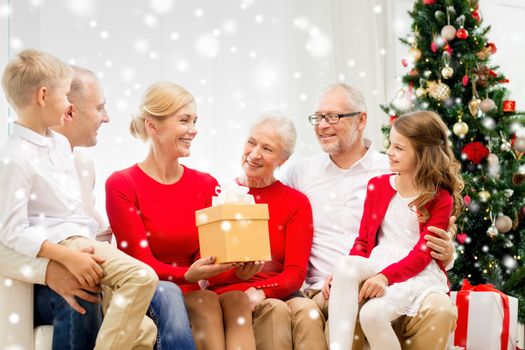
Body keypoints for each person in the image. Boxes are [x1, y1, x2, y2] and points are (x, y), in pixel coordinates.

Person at [0, 49, 158, 350]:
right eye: (64, 96)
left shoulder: (60, 146)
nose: (69, 105)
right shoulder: (13, 158)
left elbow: (75, 212)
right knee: (140, 277)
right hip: (61, 249)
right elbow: (11, 231)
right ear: (44, 96)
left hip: (81, 242)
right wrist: (66, 258)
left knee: (143, 330)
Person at [282, 83, 458, 349]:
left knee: (437, 309)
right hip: (333, 283)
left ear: (361, 120)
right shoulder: (300, 173)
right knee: (350, 289)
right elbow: (362, 240)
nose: (322, 125)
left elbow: (429, 243)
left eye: (333, 117)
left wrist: (448, 252)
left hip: (401, 274)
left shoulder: (389, 170)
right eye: (318, 117)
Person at [105, 81, 257, 350]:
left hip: (194, 291)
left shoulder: (206, 184)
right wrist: (188, 275)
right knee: (198, 300)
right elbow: (140, 264)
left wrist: (239, 270)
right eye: (184, 120)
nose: (193, 130)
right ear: (153, 126)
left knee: (230, 299)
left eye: (195, 120)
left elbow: (207, 263)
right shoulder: (122, 184)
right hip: (153, 291)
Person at [326, 110, 464, 350]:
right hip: (381, 260)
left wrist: (385, 277)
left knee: (372, 315)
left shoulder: (439, 198)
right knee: (344, 266)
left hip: (417, 272)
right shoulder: (377, 186)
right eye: (391, 144)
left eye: (399, 148)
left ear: (423, 155)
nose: (389, 152)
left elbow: (422, 255)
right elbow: (363, 241)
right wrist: (347, 274)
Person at [206, 114, 319, 350]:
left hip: (280, 290)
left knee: (309, 311)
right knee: (275, 310)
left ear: (283, 159)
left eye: (267, 148)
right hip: (230, 294)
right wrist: (244, 281)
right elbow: (209, 271)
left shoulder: (295, 203)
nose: (254, 153)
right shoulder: (220, 196)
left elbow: (295, 273)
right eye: (251, 142)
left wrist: (261, 290)